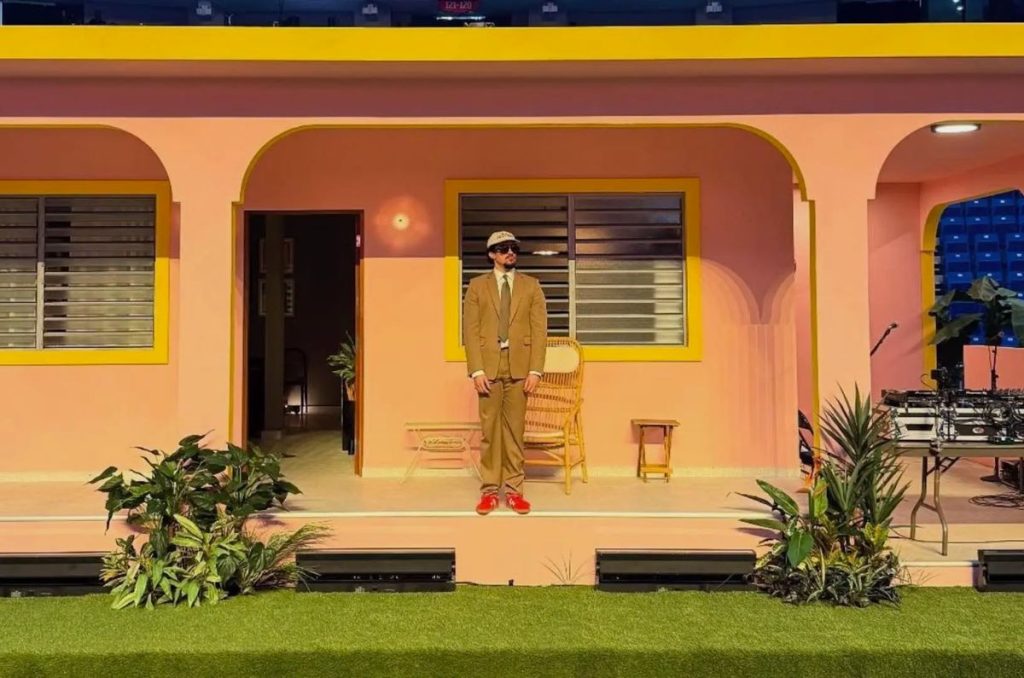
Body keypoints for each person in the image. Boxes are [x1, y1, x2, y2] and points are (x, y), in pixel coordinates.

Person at [463, 231, 547, 515]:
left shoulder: (531, 286)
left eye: (513, 248)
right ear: (491, 254)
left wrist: (536, 369)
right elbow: (471, 330)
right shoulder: (477, 286)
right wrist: (476, 370)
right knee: (489, 432)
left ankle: (513, 491)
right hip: (488, 366)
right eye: (502, 249)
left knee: (514, 432)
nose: (509, 252)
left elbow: (540, 330)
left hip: (520, 366)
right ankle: (489, 491)